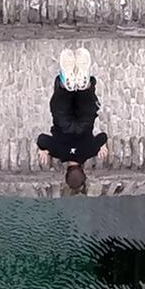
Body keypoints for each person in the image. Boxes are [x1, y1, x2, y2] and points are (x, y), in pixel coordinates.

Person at [37, 47, 107, 192]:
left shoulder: (89, 151)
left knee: (86, 103)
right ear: (65, 172)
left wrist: (103, 146)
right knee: (61, 103)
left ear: (83, 170)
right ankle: (66, 83)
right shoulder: (58, 152)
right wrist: (43, 150)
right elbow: (41, 139)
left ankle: (83, 85)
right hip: (63, 124)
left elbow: (102, 136)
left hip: (84, 123)